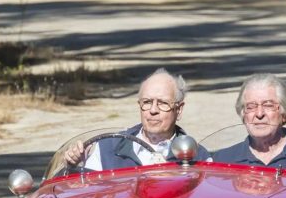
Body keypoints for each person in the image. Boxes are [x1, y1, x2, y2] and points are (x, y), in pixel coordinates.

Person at [63, 68, 208, 169]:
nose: (153, 110)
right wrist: (75, 165)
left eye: (163, 103)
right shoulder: (107, 148)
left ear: (179, 109)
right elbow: (85, 194)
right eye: (147, 102)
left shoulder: (198, 157)